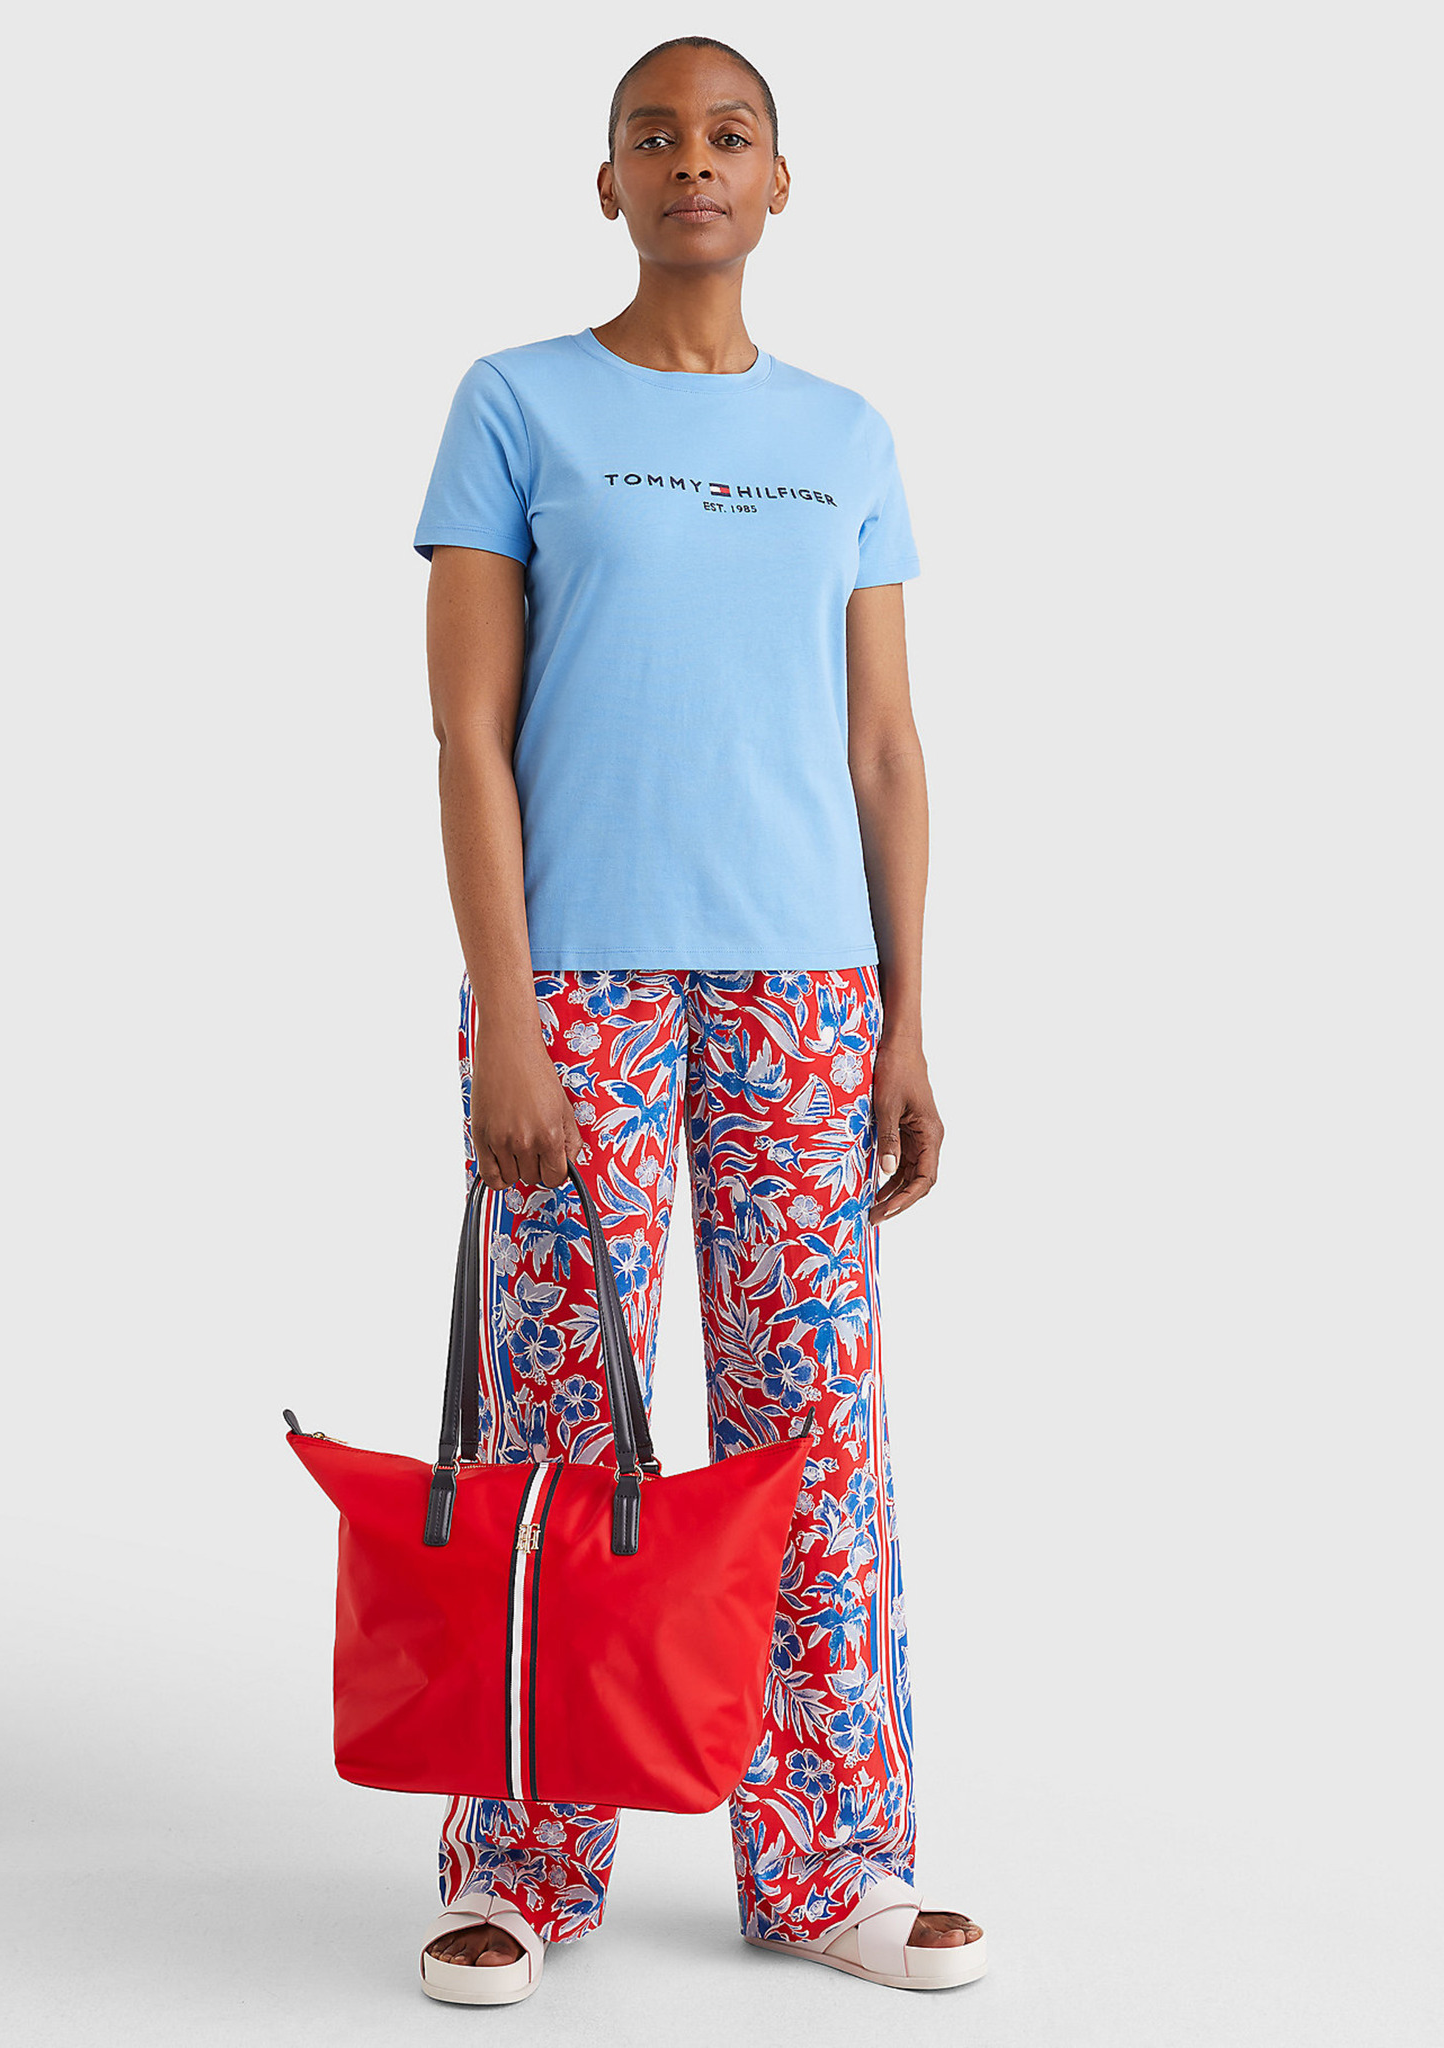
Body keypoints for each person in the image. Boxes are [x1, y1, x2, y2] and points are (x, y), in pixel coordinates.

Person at [409, 34, 985, 2006]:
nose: (692, 162)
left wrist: (908, 1019)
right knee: (560, 1418)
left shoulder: (846, 434)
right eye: (653, 136)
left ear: (779, 178)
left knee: (810, 1424)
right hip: (573, 982)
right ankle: (521, 1866)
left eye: (728, 133)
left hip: (806, 991)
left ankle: (833, 1860)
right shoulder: (517, 403)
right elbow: (466, 732)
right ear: (609, 183)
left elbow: (887, 745)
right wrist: (505, 1015)